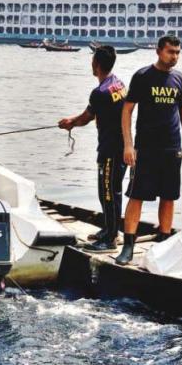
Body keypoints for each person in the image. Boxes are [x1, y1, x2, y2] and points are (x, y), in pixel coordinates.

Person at [115, 35, 182, 265]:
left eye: (178, 52)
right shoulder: (143, 76)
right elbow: (127, 111)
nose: (175, 57)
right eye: (171, 52)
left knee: (169, 197)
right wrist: (128, 145)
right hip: (146, 148)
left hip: (172, 148)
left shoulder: (180, 79)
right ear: (159, 51)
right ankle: (128, 246)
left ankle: (163, 245)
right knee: (137, 195)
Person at [58, 46, 128, 252]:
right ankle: (109, 228)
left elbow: (87, 117)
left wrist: (70, 122)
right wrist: (74, 120)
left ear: (95, 65)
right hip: (122, 146)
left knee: (108, 192)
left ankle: (110, 239)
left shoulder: (99, 93)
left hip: (110, 149)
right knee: (110, 191)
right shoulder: (118, 84)